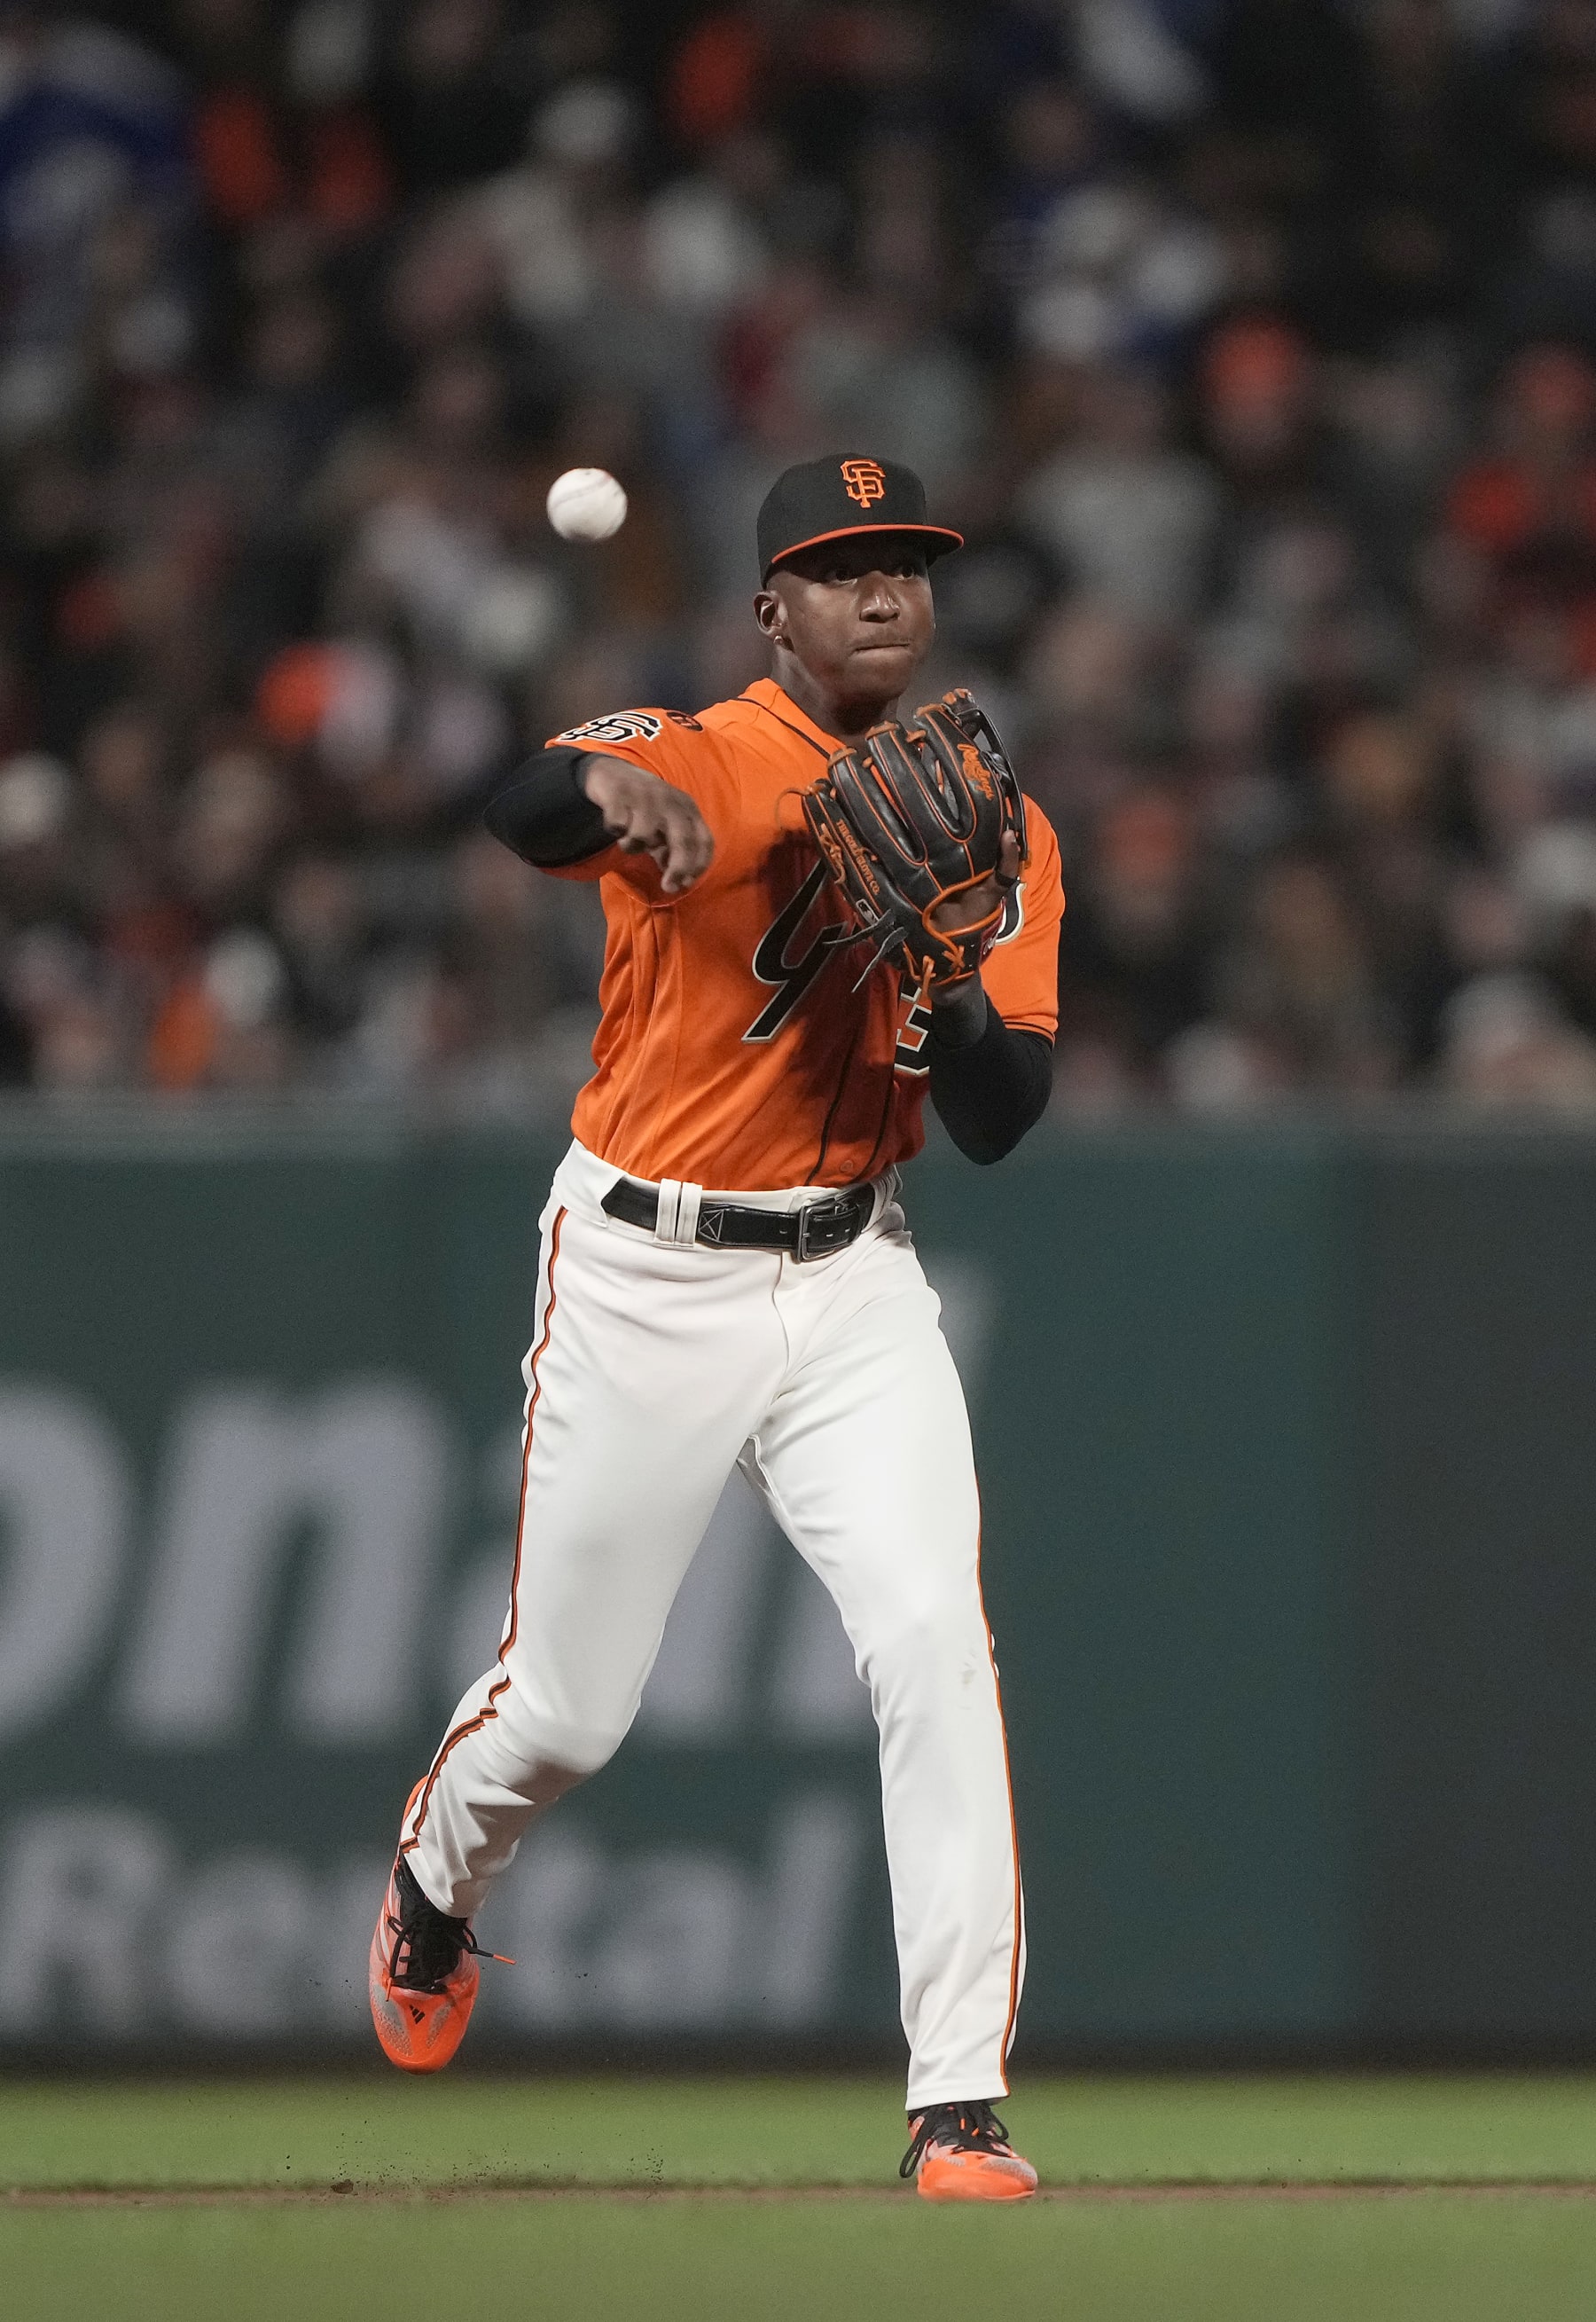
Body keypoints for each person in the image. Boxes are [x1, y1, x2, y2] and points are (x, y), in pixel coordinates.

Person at [368, 456, 1064, 2202]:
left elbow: (1001, 1112)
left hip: (851, 1275)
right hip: (640, 1274)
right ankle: (439, 1881)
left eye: (905, 563)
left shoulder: (994, 818)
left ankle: (956, 2106)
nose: (883, 593)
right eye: (841, 570)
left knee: (930, 1641)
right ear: (774, 608)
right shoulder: (702, 745)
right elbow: (530, 799)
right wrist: (614, 786)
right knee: (569, 1713)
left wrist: (954, 973)